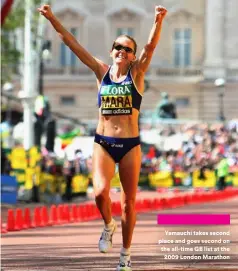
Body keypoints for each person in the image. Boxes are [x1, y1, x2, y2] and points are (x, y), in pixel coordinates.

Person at [38, 4, 167, 270]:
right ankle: (108, 225)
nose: (122, 51)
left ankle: (126, 254)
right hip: (103, 143)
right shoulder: (101, 72)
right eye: (117, 47)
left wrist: (158, 19)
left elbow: (150, 47)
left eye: (127, 49)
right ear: (112, 51)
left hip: (130, 145)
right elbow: (72, 44)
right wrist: (52, 18)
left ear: (132, 56)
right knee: (99, 194)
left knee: (129, 204)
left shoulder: (137, 74)